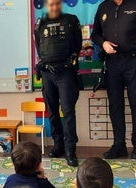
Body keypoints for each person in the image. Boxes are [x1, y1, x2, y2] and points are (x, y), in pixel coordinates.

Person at [91, 0, 136, 159]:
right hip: (113, 62)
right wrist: (103, 44)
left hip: (134, 61)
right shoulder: (103, 6)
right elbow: (95, 34)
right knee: (115, 106)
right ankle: (119, 146)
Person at [34, 0, 82, 166]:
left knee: (68, 112)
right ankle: (58, 145)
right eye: (51, 4)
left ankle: (70, 150)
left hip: (66, 73)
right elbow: (39, 47)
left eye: (56, 4)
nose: (54, 7)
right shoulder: (40, 23)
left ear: (60, 5)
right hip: (47, 74)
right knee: (52, 112)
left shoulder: (71, 21)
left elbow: (78, 46)